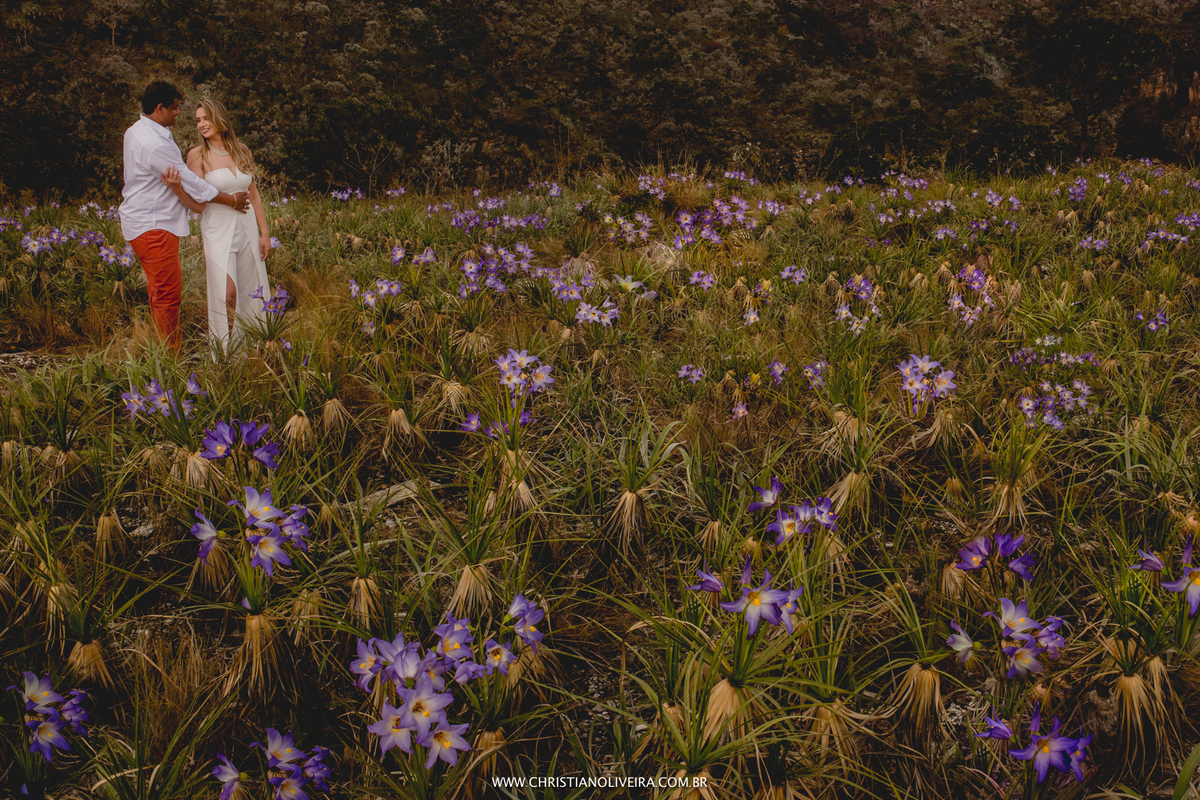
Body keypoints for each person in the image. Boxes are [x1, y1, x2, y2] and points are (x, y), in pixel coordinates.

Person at [120, 81, 250, 350]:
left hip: (147, 220)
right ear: (160, 108)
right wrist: (231, 200)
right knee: (167, 295)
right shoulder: (153, 143)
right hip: (154, 224)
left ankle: (166, 352)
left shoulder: (137, 130)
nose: (179, 113)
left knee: (160, 293)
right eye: (175, 108)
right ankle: (173, 361)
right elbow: (193, 183)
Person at [163, 98, 272, 351]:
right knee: (227, 296)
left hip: (246, 227)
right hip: (217, 228)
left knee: (250, 290)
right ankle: (225, 353)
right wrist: (178, 190)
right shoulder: (197, 155)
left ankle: (251, 351)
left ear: (220, 118)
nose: (201, 124)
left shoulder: (242, 150)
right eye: (198, 121)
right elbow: (199, 204)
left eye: (206, 118)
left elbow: (253, 194)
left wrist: (264, 233)